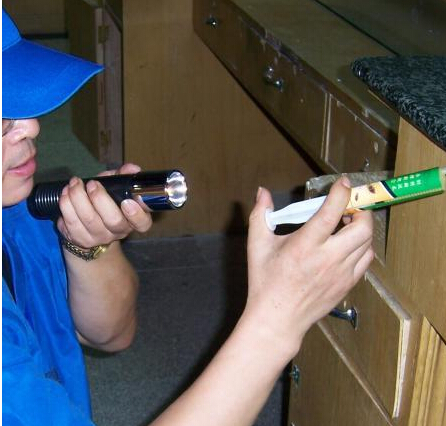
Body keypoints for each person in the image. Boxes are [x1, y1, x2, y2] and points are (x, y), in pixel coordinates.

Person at [2, 9, 374, 426]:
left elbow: (109, 334)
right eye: (3, 117)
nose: (31, 127)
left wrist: (88, 243)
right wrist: (277, 319)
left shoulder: (16, 212)